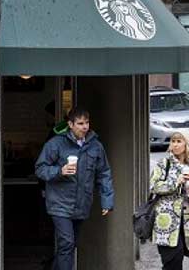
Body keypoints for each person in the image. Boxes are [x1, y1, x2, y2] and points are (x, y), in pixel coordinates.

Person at [35, 107, 115, 270]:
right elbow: (40, 168)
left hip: (82, 204)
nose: (84, 127)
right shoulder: (56, 144)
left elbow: (104, 173)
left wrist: (107, 201)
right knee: (67, 244)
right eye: (80, 123)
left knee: (70, 246)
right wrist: (60, 171)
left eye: (86, 123)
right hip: (59, 204)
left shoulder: (95, 146)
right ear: (70, 124)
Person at [150, 131, 189, 270]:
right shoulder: (164, 163)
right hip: (165, 222)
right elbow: (154, 186)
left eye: (179, 141)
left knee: (177, 260)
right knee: (171, 261)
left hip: (184, 223)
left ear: (187, 144)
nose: (175, 144)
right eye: (173, 141)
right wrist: (176, 182)